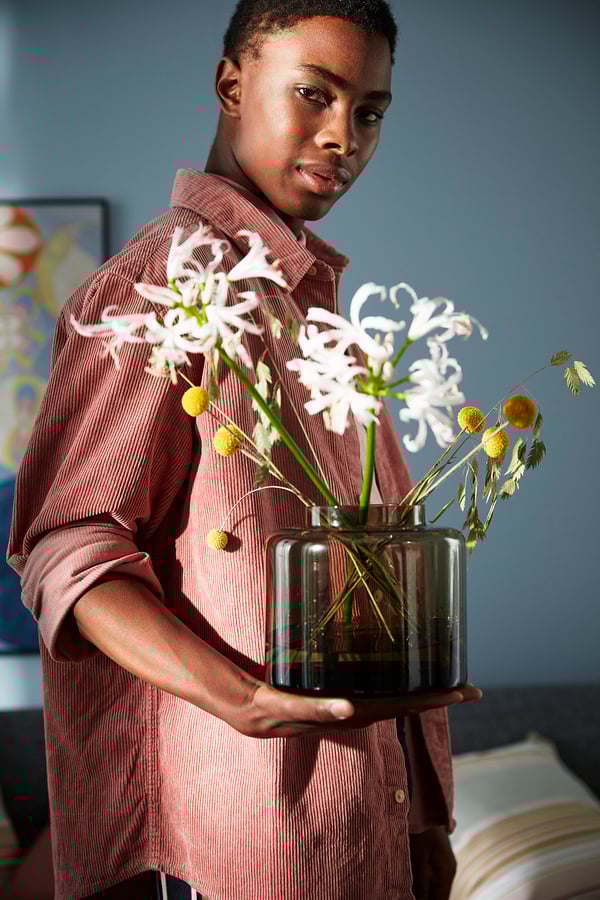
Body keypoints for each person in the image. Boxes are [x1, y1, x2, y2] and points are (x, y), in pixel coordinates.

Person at [6, 1, 481, 898]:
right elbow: (66, 548)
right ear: (232, 85)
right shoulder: (161, 286)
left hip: (364, 827)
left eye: (370, 111)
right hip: (248, 841)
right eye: (314, 94)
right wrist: (242, 700)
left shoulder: (323, 318)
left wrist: (422, 815)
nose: (344, 135)